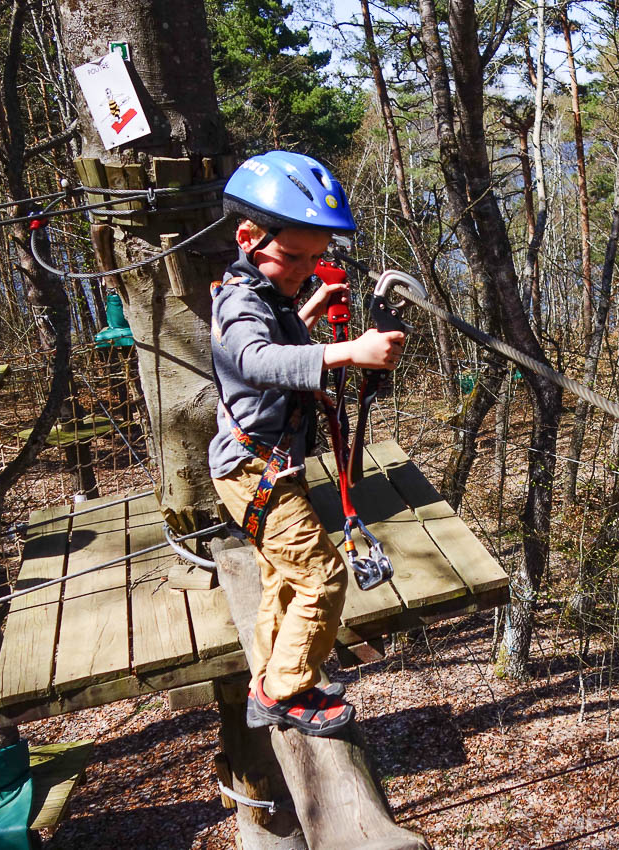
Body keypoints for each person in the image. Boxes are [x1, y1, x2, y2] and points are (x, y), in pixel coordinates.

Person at [209, 151, 405, 736]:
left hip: (264, 469)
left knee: (284, 576)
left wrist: (311, 310)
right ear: (249, 236)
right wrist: (347, 352)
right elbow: (254, 358)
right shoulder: (240, 301)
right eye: (294, 257)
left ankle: (271, 675)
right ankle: (285, 689)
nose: (305, 268)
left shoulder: (266, 296)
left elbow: (275, 338)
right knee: (323, 576)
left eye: (316, 258)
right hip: (252, 470)